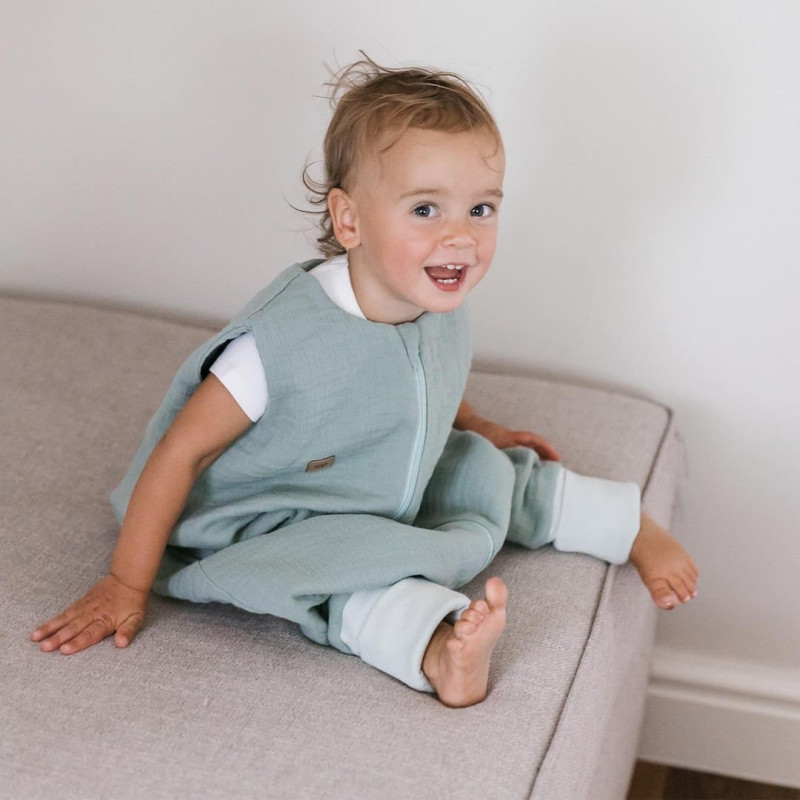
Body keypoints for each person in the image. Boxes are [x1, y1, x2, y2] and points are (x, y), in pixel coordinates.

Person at [31, 56, 698, 708]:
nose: (461, 238)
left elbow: (420, 375)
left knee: (487, 467)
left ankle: (623, 526)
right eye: (426, 209)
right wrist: (124, 582)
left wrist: (475, 425)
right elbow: (182, 451)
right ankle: (439, 649)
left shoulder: (431, 294)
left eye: (481, 209)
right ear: (350, 220)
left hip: (380, 471)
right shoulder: (280, 346)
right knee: (337, 575)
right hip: (282, 515)